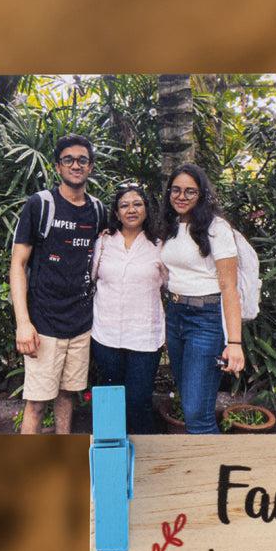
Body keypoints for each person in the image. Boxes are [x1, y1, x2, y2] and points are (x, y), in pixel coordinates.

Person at [9, 133, 105, 434]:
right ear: (57, 166)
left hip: (81, 324)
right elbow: (17, 264)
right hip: (43, 325)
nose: (75, 165)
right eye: (68, 160)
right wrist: (23, 323)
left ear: (90, 167)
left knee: (67, 396)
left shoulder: (98, 210)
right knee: (36, 404)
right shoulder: (41, 205)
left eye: (82, 160)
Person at [159, 163, 244, 434]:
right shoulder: (171, 225)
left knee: (198, 416)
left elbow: (230, 287)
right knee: (191, 405)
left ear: (202, 194)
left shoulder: (216, 228)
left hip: (205, 320)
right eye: (176, 190)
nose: (181, 196)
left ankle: (216, 473)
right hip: (175, 316)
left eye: (190, 192)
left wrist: (234, 342)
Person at [90, 184, 166, 434]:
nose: (131, 209)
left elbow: (170, 284)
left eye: (137, 204)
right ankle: (109, 460)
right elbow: (92, 278)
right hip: (106, 335)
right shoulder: (102, 242)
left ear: (146, 209)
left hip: (144, 337)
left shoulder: (159, 245)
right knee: (109, 402)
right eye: (124, 205)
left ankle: (146, 462)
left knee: (138, 403)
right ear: (116, 211)